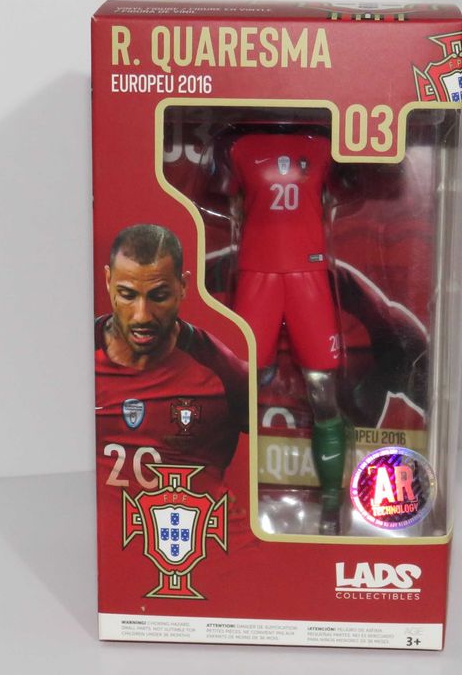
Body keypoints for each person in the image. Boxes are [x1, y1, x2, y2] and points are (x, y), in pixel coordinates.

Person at [227, 129, 347, 534]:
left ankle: (330, 505)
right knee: (242, 387)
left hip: (307, 275)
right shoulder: (240, 148)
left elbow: (348, 192)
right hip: (257, 273)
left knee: (322, 389)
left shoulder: (323, 146)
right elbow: (227, 204)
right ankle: (233, 494)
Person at [95, 224, 248, 498]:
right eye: (127, 295)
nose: (142, 315)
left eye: (159, 296)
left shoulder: (221, 372)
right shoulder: (75, 359)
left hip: (182, 524)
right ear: (108, 280)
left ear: (183, 286)